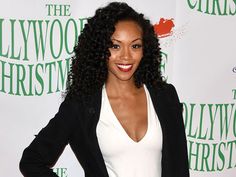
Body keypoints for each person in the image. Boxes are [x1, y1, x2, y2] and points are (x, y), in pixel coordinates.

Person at [19, 2, 189, 177]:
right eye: (115, 46)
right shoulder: (82, 105)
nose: (126, 56)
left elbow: (180, 166)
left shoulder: (165, 96)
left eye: (135, 46)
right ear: (100, 48)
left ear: (145, 50)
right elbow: (32, 160)